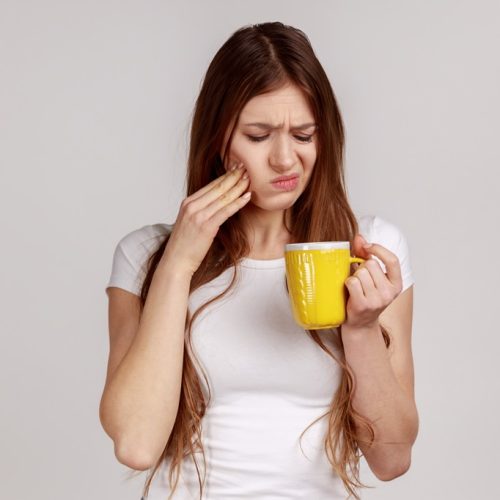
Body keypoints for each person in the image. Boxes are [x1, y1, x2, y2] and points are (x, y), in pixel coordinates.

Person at [99, 22, 418, 500]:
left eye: (303, 135)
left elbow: (392, 459)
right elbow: (137, 443)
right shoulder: (146, 256)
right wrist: (179, 264)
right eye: (259, 134)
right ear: (218, 140)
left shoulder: (366, 249)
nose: (285, 159)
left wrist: (361, 328)